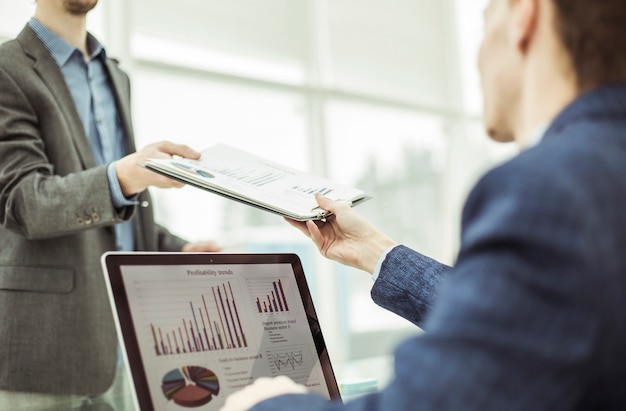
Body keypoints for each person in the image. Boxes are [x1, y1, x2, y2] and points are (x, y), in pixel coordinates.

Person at [221, 0, 626, 410]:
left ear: (524, 14)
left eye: (485, 24)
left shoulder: (550, 187)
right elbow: (533, 323)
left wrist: (264, 403)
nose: (479, 58)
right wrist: (377, 252)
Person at [0, 0, 221, 408]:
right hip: (41, 347)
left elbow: (116, 212)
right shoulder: (7, 67)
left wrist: (176, 249)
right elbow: (23, 200)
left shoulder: (115, 75)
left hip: (123, 340)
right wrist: (127, 174)